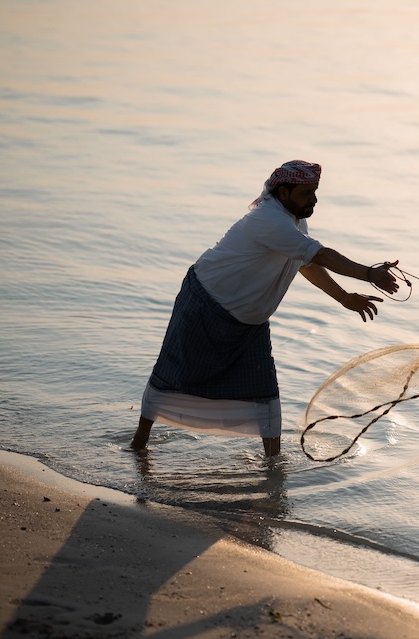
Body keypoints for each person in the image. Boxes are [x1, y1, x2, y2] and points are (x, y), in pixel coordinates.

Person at [131, 160, 399, 457]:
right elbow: (320, 254)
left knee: (265, 394)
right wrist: (370, 274)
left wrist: (344, 298)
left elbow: (305, 262)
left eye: (315, 192)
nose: (313, 200)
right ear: (284, 192)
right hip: (205, 302)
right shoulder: (269, 220)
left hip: (249, 323)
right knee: (170, 378)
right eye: (307, 193)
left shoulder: (294, 223)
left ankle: (273, 463)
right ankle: (138, 446)